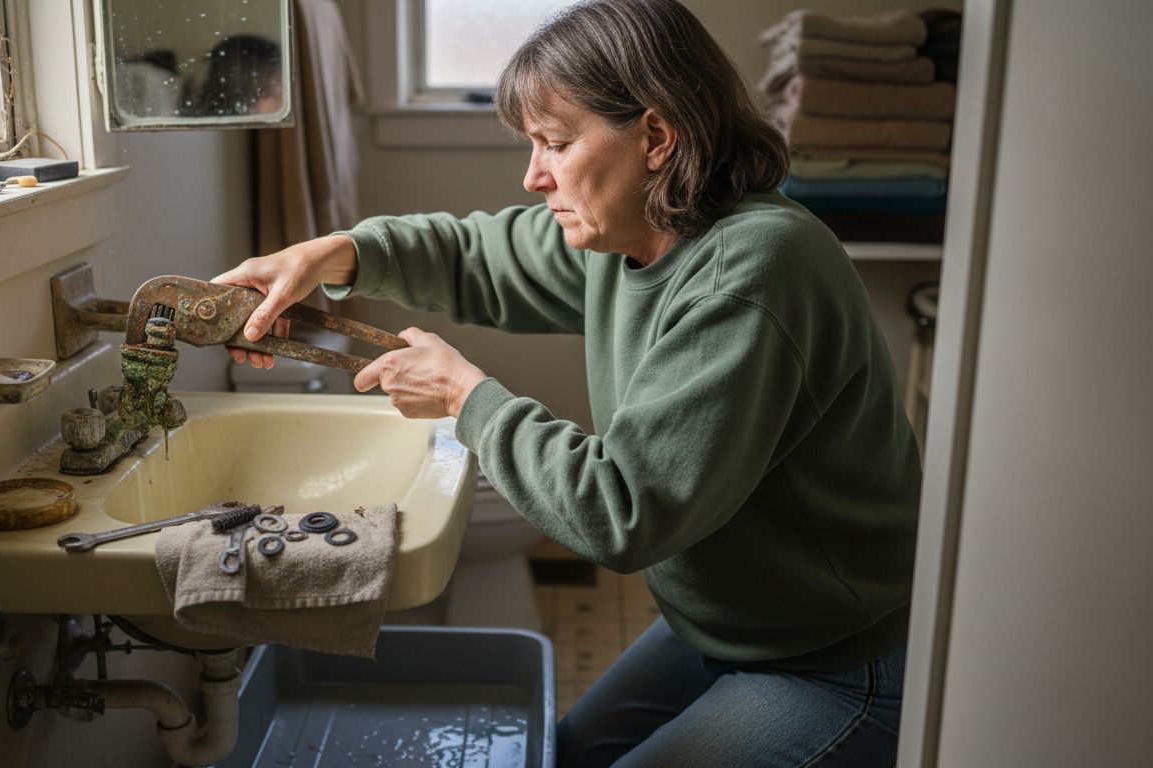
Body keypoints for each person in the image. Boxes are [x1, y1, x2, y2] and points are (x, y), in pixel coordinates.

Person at [214, 1, 920, 765]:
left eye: (556, 143)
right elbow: (474, 255)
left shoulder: (753, 273)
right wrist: (330, 254)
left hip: (836, 660)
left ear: (655, 136)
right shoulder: (636, 231)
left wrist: (466, 398)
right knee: (569, 752)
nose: (532, 176)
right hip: (728, 624)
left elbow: (622, 513)